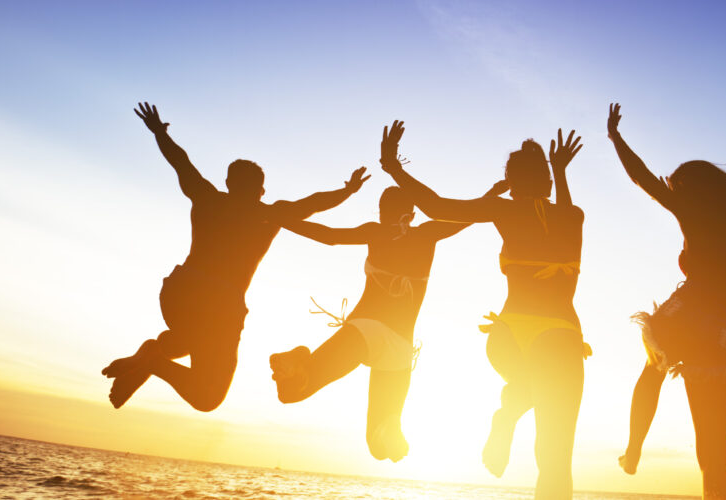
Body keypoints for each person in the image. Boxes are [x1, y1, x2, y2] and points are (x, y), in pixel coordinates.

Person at [101, 102, 368, 412]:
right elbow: (314, 203)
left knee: (188, 339)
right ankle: (152, 360)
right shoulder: (269, 214)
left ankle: (151, 352)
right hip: (221, 307)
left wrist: (159, 132)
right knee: (208, 397)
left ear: (228, 184)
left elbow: (181, 162)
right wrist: (348, 190)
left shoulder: (206, 197)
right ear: (262, 191)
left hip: (179, 295)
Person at [379, 120, 586, 499]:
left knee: (529, 387)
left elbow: (436, 206)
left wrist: (393, 167)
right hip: (558, 337)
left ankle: (507, 412)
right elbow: (562, 216)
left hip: (507, 339)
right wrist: (559, 171)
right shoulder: (573, 217)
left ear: (512, 182)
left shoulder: (504, 211)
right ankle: (508, 412)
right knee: (555, 458)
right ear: (549, 181)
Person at [269, 180, 508, 462]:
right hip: (400, 349)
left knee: (293, 391)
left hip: (365, 331)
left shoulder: (376, 231)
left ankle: (300, 361)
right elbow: (465, 218)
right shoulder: (428, 233)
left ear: (381, 211)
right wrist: (491, 194)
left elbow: (328, 235)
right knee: (381, 449)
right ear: (414, 212)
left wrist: (280, 218)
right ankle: (391, 429)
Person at [606, 103, 726, 499]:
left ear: (691, 188)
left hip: (692, 311)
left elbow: (642, 179)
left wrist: (616, 138)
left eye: (678, 187)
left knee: (652, 367)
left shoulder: (693, 208)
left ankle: (633, 449)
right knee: (714, 451)